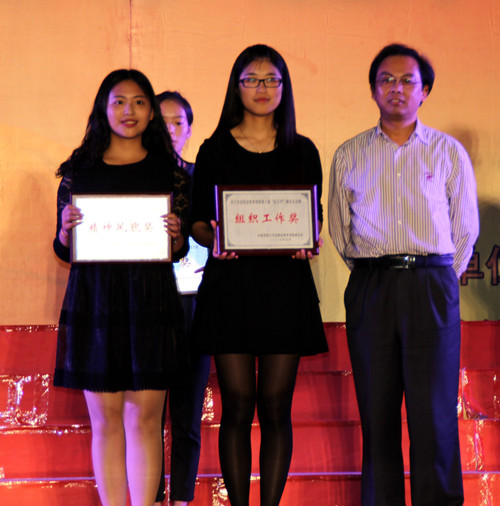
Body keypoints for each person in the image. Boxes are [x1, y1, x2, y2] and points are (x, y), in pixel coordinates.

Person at [328, 43, 479, 505]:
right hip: (372, 285)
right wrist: (377, 271)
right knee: (377, 411)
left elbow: (465, 229)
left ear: (424, 90)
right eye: (387, 80)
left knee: (434, 412)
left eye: (407, 80)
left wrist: (435, 276)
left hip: (432, 286)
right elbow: (340, 230)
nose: (397, 88)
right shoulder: (350, 153)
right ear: (373, 89)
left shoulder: (448, 152)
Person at [189, 44, 328, 506]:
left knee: (275, 406)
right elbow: (196, 221)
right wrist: (214, 237)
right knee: (236, 405)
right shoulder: (214, 149)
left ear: (285, 88)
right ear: (237, 87)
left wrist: (309, 239)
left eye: (272, 79)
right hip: (229, 289)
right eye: (252, 79)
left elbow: (312, 217)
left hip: (284, 290)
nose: (262, 88)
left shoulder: (303, 150)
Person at [53, 69, 190, 506]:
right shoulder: (79, 172)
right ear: (103, 108)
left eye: (139, 102)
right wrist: (64, 231)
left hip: (150, 299)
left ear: (151, 113)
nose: (129, 111)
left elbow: (179, 249)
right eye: (119, 101)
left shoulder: (171, 175)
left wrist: (176, 236)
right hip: (95, 299)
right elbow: (63, 249)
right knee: (106, 422)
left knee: (146, 421)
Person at [154, 91, 211, 506]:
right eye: (162, 121)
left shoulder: (202, 179)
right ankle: (152, 496)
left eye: (178, 122)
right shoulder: (134, 181)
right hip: (149, 305)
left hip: (195, 301)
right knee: (147, 417)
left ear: (190, 130)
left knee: (188, 416)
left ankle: (182, 499)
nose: (170, 130)